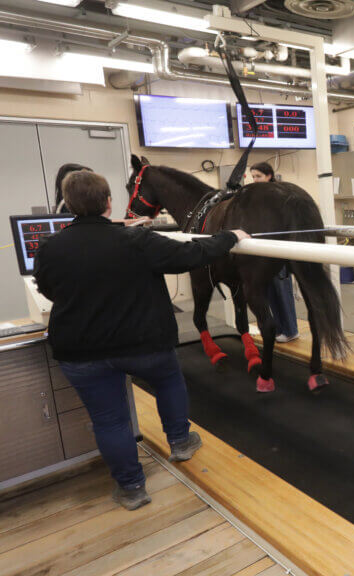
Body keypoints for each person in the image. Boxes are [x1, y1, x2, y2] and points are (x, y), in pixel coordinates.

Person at [34, 170, 247, 511]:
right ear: (108, 203)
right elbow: (191, 255)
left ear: (69, 206)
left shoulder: (50, 247)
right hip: (145, 343)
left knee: (110, 420)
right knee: (167, 381)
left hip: (82, 352)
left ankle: (132, 488)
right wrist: (229, 237)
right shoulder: (136, 241)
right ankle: (180, 442)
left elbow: (47, 289)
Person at [252, 163, 300, 341]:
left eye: (258, 176)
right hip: (264, 250)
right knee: (270, 291)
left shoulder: (278, 195)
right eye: (253, 176)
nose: (255, 180)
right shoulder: (259, 196)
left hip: (278, 249)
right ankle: (280, 329)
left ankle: (291, 330)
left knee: (282, 290)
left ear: (268, 176)